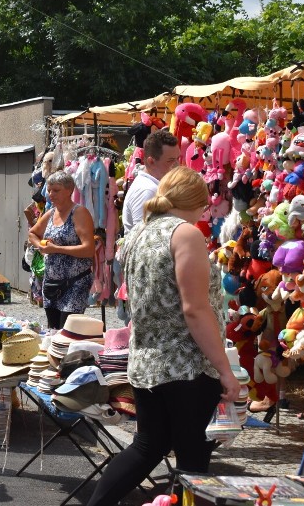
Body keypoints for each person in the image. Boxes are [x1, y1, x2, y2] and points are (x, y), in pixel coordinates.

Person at [87, 167, 240, 506]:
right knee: (192, 458)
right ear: (200, 203)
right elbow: (195, 309)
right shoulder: (185, 235)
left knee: (148, 446)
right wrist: (225, 370)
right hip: (187, 366)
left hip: (147, 361)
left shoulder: (141, 232)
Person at [28, 170, 96, 330]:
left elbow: (88, 249)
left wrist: (56, 249)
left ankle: (69, 356)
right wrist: (41, 247)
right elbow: (32, 233)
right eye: (49, 190)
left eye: (56, 190)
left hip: (75, 283)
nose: (51, 194)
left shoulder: (79, 213)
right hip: (51, 283)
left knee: (67, 332)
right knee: (52, 331)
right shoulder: (51, 213)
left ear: (69, 190)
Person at [121, 130, 180, 233]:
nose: (176, 165)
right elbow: (142, 237)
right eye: (170, 160)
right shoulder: (147, 190)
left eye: (177, 159)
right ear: (151, 161)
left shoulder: (152, 186)